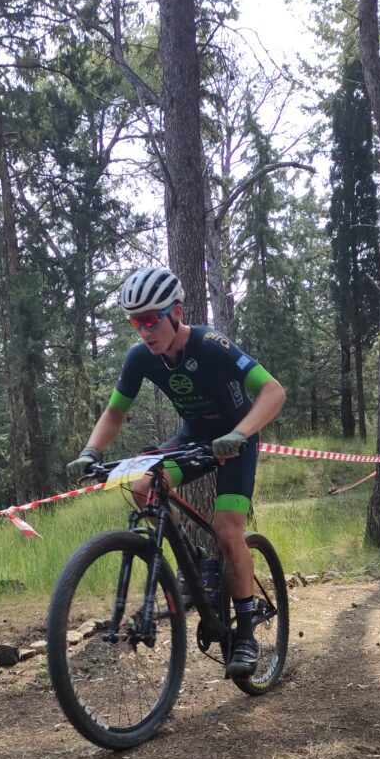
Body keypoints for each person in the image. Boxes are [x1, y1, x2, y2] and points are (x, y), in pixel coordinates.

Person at [67, 265, 286, 678]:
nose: (144, 331)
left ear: (177, 312)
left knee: (227, 531)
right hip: (194, 438)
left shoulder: (210, 344)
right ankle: (197, 561)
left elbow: (273, 391)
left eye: (151, 319)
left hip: (237, 439)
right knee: (143, 488)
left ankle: (245, 632)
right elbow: (115, 413)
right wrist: (90, 451)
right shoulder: (140, 358)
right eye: (135, 322)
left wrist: (239, 433)